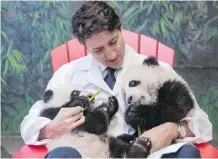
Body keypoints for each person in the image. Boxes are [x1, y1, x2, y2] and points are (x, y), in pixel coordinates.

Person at [20, 1, 212, 158]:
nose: (111, 55)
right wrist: (51, 129)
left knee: (187, 153)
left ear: (120, 29)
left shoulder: (153, 69)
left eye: (113, 41)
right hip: (90, 153)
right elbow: (29, 124)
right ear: (84, 45)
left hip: (148, 153)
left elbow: (203, 124)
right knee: (61, 155)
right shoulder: (68, 73)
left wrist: (173, 129)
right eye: (98, 50)